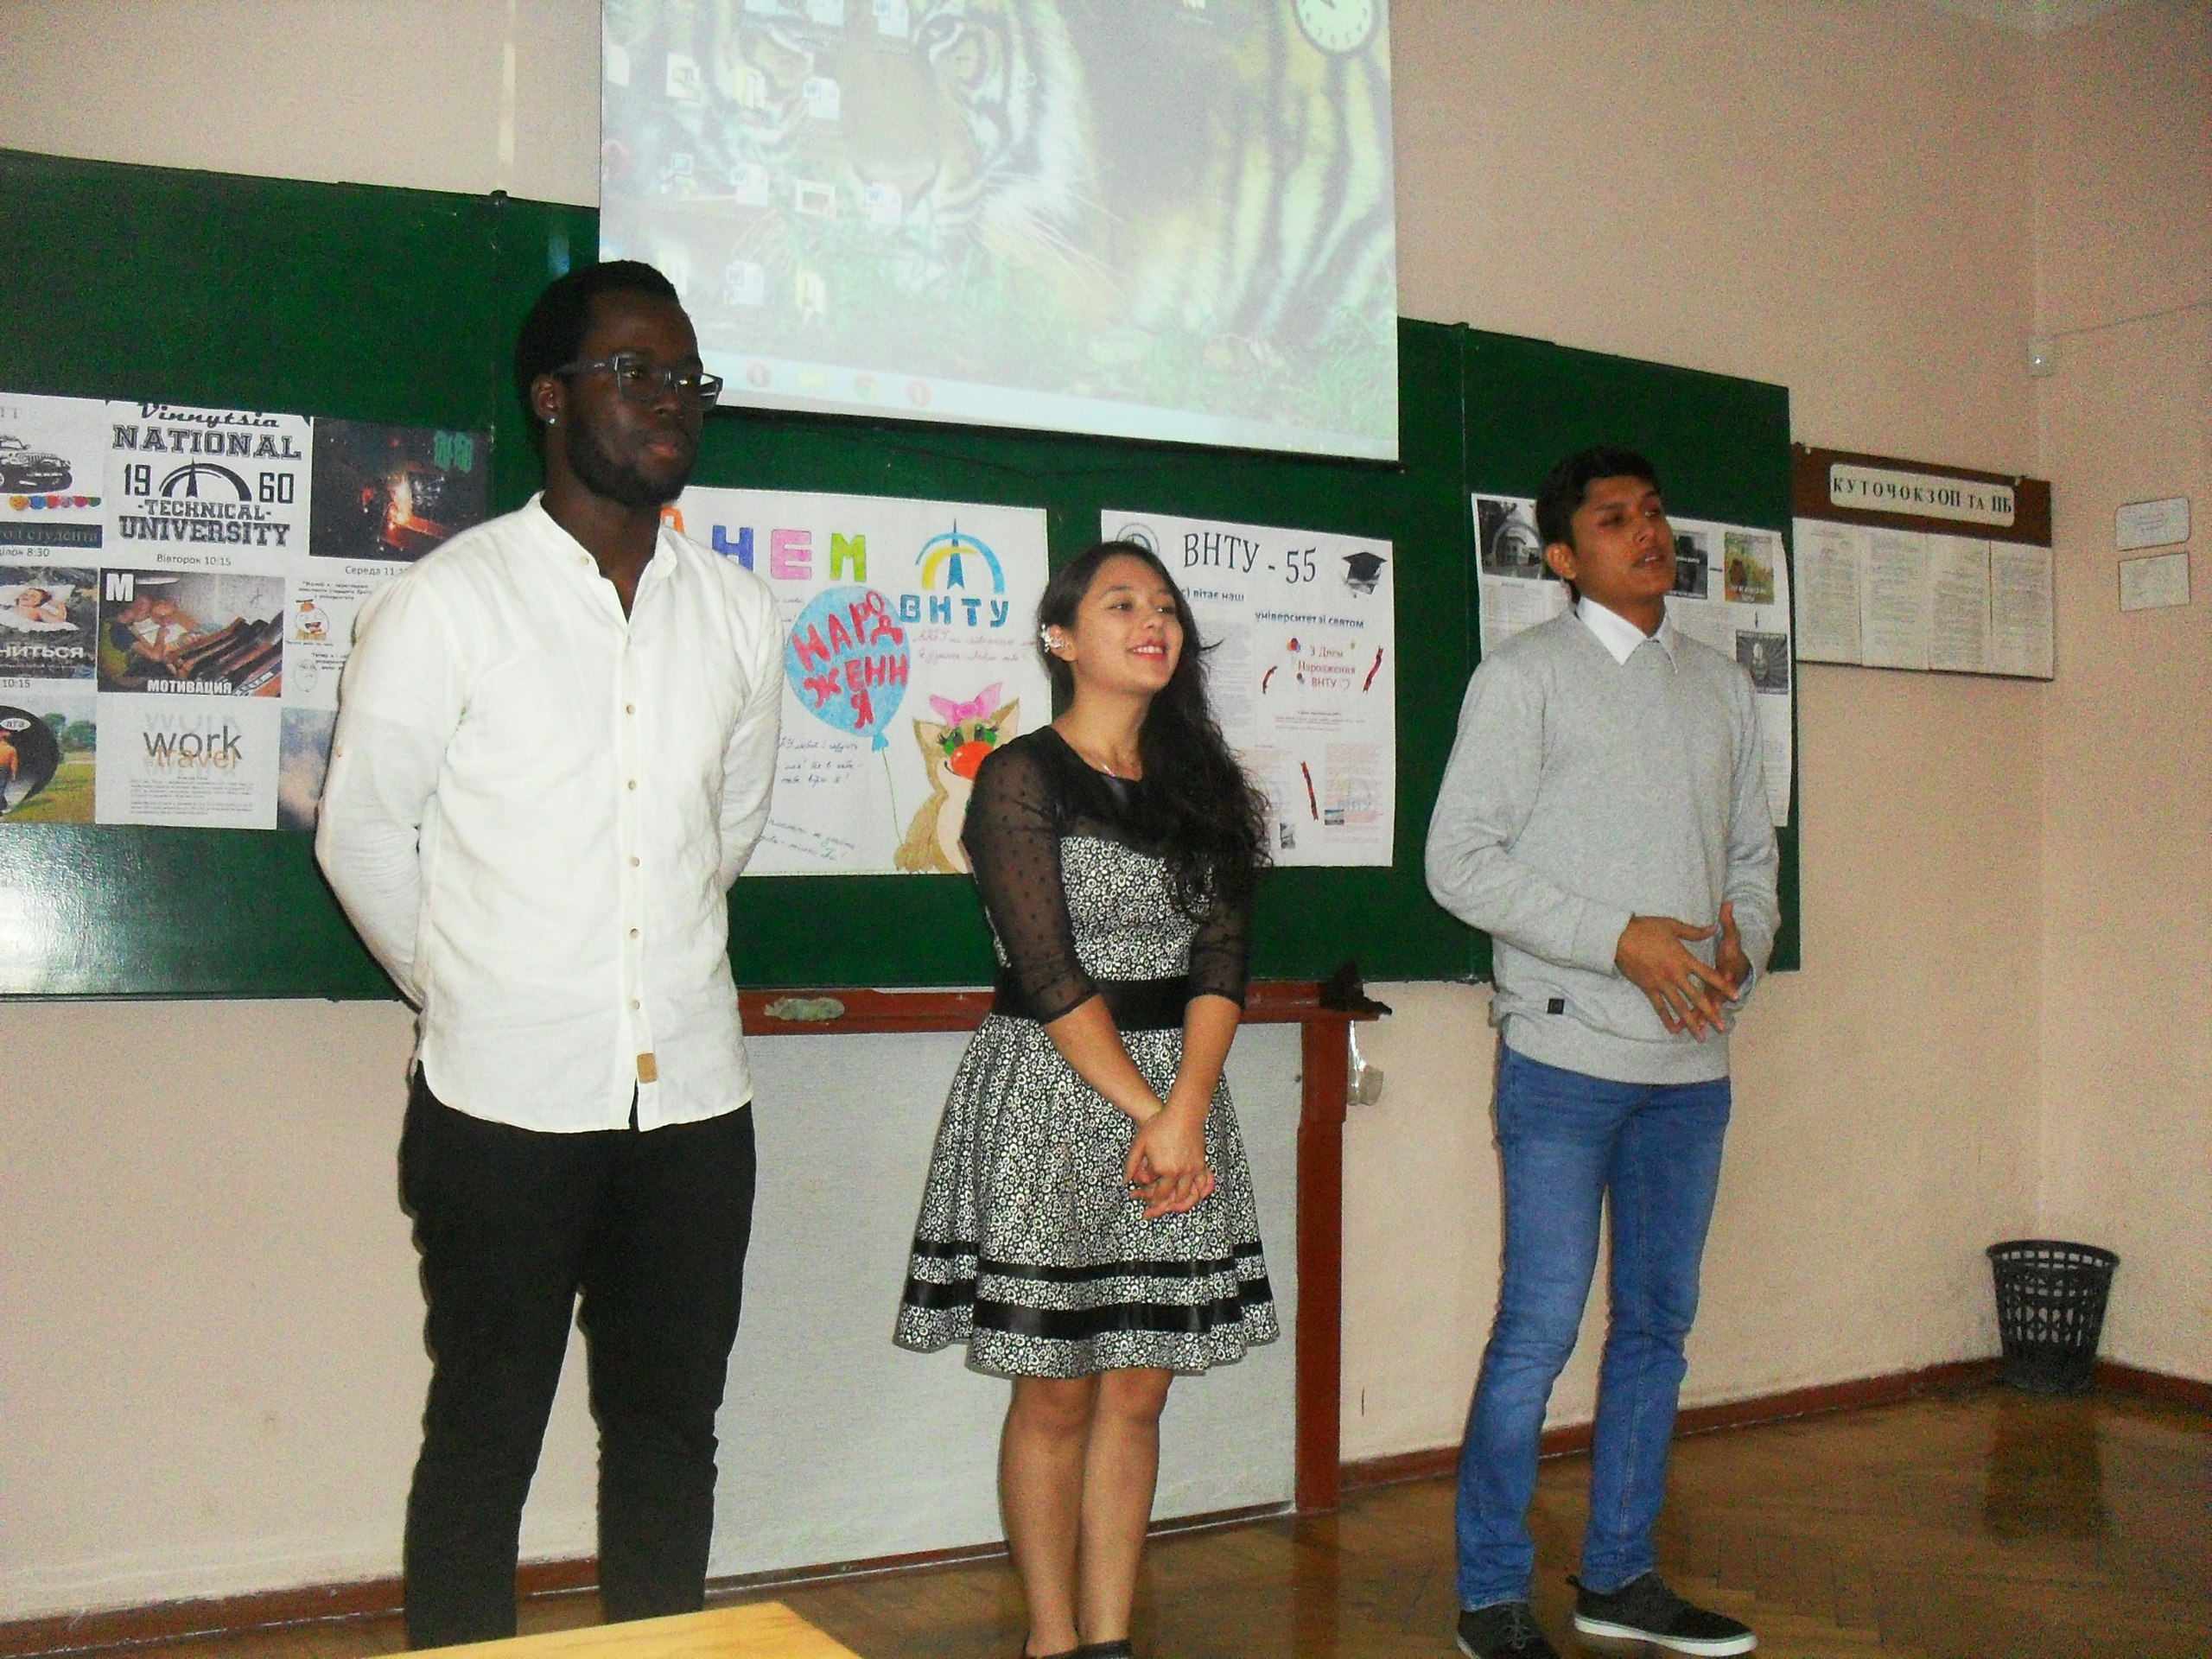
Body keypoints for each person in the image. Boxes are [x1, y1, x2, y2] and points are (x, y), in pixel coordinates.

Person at [316, 260, 783, 1649]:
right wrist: (472, 990)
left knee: (670, 1436)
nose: (669, 400)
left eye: (686, 377)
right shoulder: (451, 602)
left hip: (691, 1106)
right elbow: (362, 835)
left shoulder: (739, 614)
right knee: (485, 1434)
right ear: (549, 397)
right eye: (634, 371)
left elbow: (724, 833)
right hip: (500, 1108)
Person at [1425, 448, 1779, 1659]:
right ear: (1566, 558)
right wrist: (1617, 940)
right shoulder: (1523, 679)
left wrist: (1741, 947)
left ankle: (1620, 1577)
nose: (1649, 532)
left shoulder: (1720, 687)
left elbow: (1751, 857)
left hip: (1692, 1070)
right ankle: (1491, 1596)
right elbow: (1459, 863)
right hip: (1565, 1061)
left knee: (1657, 1329)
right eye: (1616, 519)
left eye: (1657, 513)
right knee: (1538, 1331)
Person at [895, 541, 1278, 1659]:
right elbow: (1050, 972)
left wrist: (1186, 1107)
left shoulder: (1207, 784)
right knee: (1057, 1389)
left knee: (1139, 1390)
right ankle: (1052, 1639)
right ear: (1061, 638)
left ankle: (1110, 1638)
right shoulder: (1020, 775)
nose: (1153, 622)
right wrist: (1152, 1113)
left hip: (1182, 1095)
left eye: (1165, 606)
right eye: (1121, 605)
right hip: (1052, 1092)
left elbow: (1222, 964)